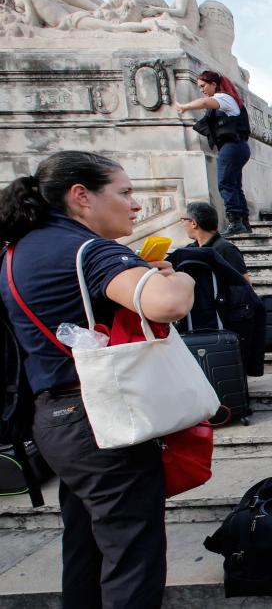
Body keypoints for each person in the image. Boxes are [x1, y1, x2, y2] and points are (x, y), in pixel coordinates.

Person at [0, 151, 197, 608]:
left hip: (54, 419)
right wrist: (180, 276)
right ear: (81, 196)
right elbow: (168, 303)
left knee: (86, 548)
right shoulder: (86, 249)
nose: (134, 205)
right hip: (101, 419)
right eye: (125, 192)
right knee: (133, 558)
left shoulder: (17, 251)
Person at [175, 70, 252, 237]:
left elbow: (204, 103)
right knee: (233, 184)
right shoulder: (226, 99)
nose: (202, 90)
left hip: (233, 146)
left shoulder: (223, 98)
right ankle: (242, 222)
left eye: (203, 86)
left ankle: (236, 222)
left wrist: (184, 107)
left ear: (214, 84)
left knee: (225, 183)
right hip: (236, 146)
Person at [181, 201, 252, 284]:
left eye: (183, 220)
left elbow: (245, 286)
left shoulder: (226, 250)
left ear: (193, 223)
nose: (182, 224)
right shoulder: (190, 249)